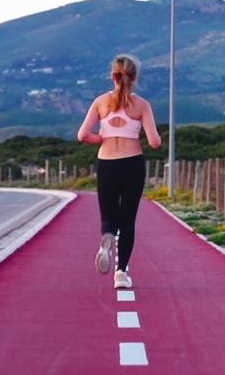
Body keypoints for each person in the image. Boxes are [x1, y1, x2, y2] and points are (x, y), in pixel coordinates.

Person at [77, 54, 163, 289]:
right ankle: (121, 274)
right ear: (135, 78)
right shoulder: (142, 105)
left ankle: (106, 239)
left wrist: (101, 138)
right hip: (132, 164)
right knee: (128, 221)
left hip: (107, 164)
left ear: (112, 76)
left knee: (108, 217)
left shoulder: (100, 102)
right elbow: (155, 143)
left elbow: (82, 135)